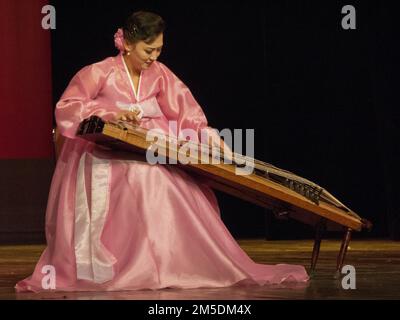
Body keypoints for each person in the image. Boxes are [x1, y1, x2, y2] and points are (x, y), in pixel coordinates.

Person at [16, 11, 308, 292]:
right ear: (127, 44)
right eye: (148, 50)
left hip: (148, 148)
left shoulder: (160, 74)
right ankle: (135, 264)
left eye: (158, 49)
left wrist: (208, 137)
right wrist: (112, 113)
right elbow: (67, 107)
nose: (154, 57)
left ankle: (177, 262)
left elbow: (186, 112)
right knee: (147, 178)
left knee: (175, 181)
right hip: (104, 153)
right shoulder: (99, 72)